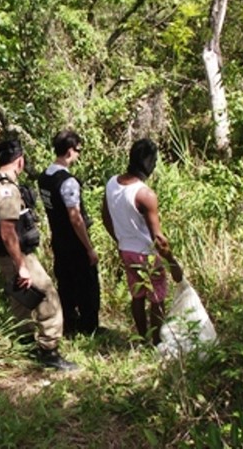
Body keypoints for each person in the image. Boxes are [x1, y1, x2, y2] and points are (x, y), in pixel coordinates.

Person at [0, 137, 78, 371]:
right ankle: (49, 350)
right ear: (20, 161)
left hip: (8, 255)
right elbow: (8, 232)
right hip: (17, 255)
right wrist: (22, 265)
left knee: (21, 298)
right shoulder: (6, 190)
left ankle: (23, 341)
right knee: (47, 295)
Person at [102, 138, 170, 344]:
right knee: (157, 298)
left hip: (126, 251)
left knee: (137, 294)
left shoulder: (112, 183)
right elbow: (158, 237)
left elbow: (105, 216)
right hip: (147, 254)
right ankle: (157, 342)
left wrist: (120, 240)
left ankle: (142, 338)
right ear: (149, 163)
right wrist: (174, 264)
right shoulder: (144, 194)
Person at [38, 130, 100, 335]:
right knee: (87, 283)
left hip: (58, 238)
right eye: (78, 150)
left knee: (65, 281)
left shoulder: (44, 177)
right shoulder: (68, 182)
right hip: (74, 242)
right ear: (69, 151)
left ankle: (70, 324)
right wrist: (89, 247)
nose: (79, 155)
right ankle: (89, 327)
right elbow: (75, 217)